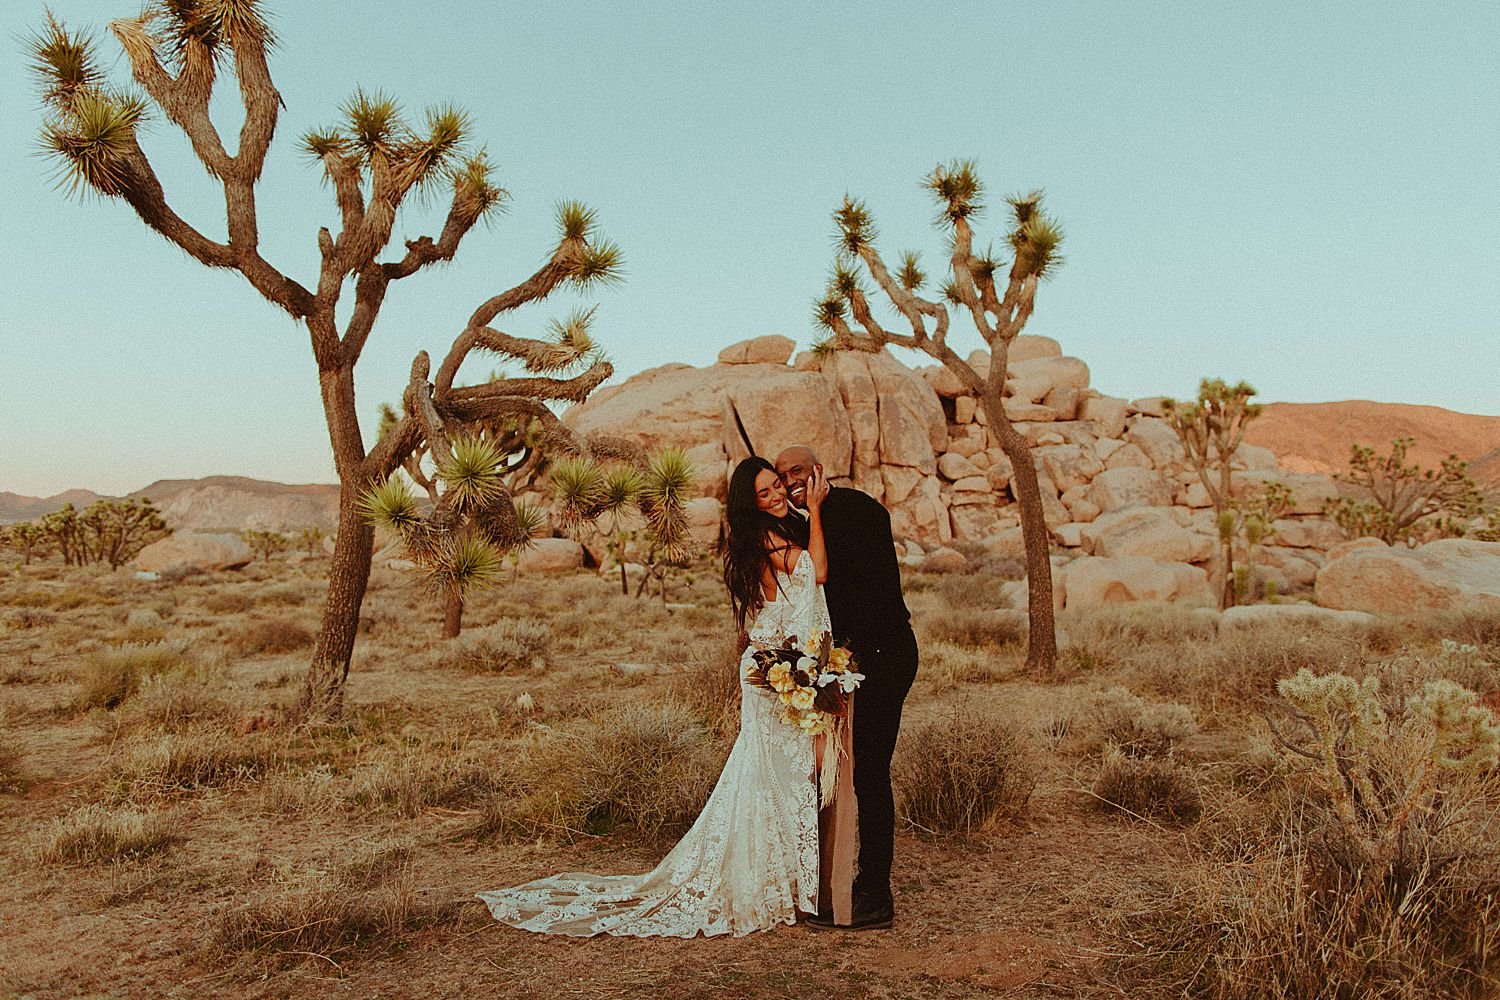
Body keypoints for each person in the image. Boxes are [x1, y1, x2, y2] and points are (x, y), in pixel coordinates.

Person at [476, 456, 853, 936]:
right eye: (765, 492)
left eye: (777, 484)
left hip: (783, 662)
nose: (778, 494)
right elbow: (817, 572)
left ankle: (783, 882)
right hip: (776, 668)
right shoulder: (768, 536)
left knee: (783, 775)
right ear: (750, 504)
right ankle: (775, 884)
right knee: (776, 774)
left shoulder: (774, 532)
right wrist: (816, 508)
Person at [776, 444, 919, 931]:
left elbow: (855, 590)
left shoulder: (862, 511)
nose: (789, 479)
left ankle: (875, 895)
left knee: (871, 775)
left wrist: (841, 658)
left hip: (883, 657)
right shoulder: (799, 527)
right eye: (781, 475)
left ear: (818, 470)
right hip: (839, 666)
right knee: (832, 776)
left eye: (796, 470)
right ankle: (834, 881)